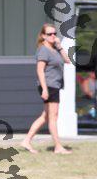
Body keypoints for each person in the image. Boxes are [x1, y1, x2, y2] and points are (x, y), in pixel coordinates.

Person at [21, 24, 72, 154]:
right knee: (53, 117)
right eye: (49, 34)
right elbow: (40, 70)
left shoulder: (54, 49)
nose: (53, 36)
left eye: (54, 33)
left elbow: (67, 60)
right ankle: (58, 147)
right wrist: (44, 89)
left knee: (45, 116)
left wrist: (59, 46)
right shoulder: (43, 50)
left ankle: (26, 140)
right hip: (49, 86)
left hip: (54, 85)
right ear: (43, 36)